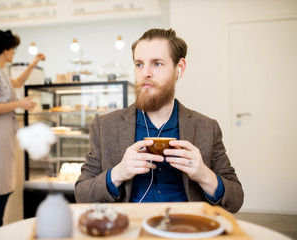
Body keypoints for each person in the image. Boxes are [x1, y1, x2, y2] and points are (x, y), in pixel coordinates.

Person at [74, 28, 244, 213]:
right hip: (128, 229)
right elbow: (81, 194)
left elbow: (236, 200)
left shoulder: (206, 127)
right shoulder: (104, 126)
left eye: (157, 63)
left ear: (180, 68)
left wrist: (204, 175)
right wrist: (118, 173)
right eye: (139, 64)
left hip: (187, 229)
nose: (145, 73)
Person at [0, 29, 45, 232]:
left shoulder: (1, 72)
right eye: (13, 48)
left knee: (1, 189)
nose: (14, 53)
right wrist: (20, 103)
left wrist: (33, 64)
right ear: (4, 49)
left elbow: (17, 82)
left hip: (3, 138)